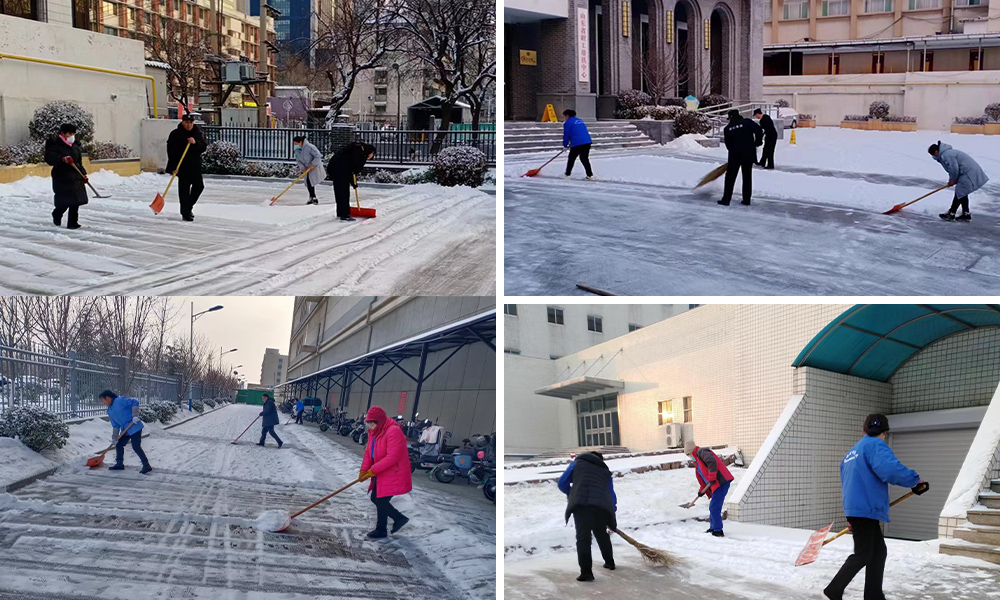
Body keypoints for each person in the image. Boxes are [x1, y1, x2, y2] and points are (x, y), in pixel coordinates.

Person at [824, 414, 928, 600]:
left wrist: (851, 515)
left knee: (878, 553)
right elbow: (890, 469)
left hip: (859, 509)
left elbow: (847, 483)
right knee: (863, 554)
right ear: (885, 433)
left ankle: (873, 595)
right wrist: (914, 479)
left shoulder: (851, 453)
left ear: (863, 431)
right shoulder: (876, 445)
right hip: (866, 510)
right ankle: (833, 590)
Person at [557, 451, 616, 582]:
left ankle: (586, 573)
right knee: (601, 534)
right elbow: (610, 493)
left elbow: (562, 483)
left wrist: (572, 493)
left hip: (581, 506)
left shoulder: (577, 463)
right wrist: (613, 509)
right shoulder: (604, 470)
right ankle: (610, 562)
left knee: (583, 538)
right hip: (600, 506)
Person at [358, 405, 412, 538]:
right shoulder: (374, 433)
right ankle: (386, 526)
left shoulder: (393, 431)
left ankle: (391, 523)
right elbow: (368, 453)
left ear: (380, 421)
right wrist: (363, 470)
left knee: (380, 500)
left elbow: (393, 457)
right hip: (381, 473)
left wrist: (373, 470)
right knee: (376, 498)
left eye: (372, 422)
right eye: (368, 423)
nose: (370, 425)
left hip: (394, 473)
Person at [928, 142, 989, 222]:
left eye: (933, 155)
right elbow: (953, 169)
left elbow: (954, 169)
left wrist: (953, 180)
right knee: (962, 192)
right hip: (967, 172)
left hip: (968, 172)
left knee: (960, 191)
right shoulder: (947, 153)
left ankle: (951, 213)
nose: (934, 157)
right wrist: (953, 180)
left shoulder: (946, 155)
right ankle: (965, 214)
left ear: (936, 152)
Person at [684, 441, 734, 537]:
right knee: (713, 507)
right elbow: (704, 478)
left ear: (692, 451)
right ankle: (713, 527)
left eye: (689, 454)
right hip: (716, 484)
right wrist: (701, 491)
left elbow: (712, 461)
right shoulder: (697, 462)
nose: (689, 457)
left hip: (721, 482)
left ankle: (718, 531)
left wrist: (712, 477)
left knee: (714, 507)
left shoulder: (701, 452)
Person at [44, 123, 88, 230]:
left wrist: (83, 174)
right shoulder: (55, 145)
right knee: (64, 200)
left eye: (73, 133)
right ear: (63, 133)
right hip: (62, 176)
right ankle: (57, 213)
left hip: (75, 175)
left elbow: (79, 162)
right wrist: (61, 158)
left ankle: (73, 222)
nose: (71, 135)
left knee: (75, 200)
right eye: (69, 133)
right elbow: (49, 158)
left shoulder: (75, 146)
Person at [165, 114, 209, 222]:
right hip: (181, 166)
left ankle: (187, 207)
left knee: (199, 186)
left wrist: (195, 143)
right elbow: (171, 151)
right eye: (187, 122)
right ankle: (185, 213)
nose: (189, 125)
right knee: (184, 191)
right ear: (182, 122)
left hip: (194, 166)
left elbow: (203, 147)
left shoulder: (197, 133)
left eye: (191, 122)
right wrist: (172, 167)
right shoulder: (175, 134)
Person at [99, 390, 152, 474]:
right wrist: (114, 438)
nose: (103, 402)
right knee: (119, 444)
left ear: (108, 397)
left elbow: (135, 402)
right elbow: (115, 425)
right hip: (125, 430)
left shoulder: (120, 400)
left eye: (103, 400)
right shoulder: (109, 410)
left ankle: (146, 465)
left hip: (134, 426)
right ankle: (119, 464)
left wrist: (135, 415)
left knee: (136, 446)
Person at [719, 109, 763, 206]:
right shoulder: (747, 122)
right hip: (748, 155)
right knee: (747, 177)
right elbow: (759, 130)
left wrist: (735, 150)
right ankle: (746, 200)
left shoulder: (728, 129)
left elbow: (728, 145)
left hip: (735, 156)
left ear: (730, 118)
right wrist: (757, 142)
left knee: (730, 178)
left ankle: (726, 200)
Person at [326, 142, 376, 222]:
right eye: (372, 155)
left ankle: (340, 212)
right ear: (371, 152)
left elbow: (351, 168)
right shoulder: (360, 152)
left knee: (339, 191)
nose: (370, 157)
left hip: (334, 168)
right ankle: (345, 215)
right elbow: (355, 169)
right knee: (344, 193)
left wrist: (353, 183)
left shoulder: (355, 148)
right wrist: (354, 183)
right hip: (341, 170)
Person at [562, 109, 594, 180]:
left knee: (571, 158)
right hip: (587, 141)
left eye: (564, 116)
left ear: (567, 115)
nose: (564, 118)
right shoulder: (580, 121)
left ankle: (567, 174)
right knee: (584, 158)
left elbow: (566, 135)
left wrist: (565, 145)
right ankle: (590, 175)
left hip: (577, 143)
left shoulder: (568, 123)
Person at [293, 136, 325, 205]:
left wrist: (313, 164)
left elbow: (318, 156)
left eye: (296, 144)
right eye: (294, 144)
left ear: (300, 142)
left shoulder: (310, 147)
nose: (295, 145)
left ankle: (313, 198)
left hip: (314, 167)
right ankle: (312, 197)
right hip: (306, 168)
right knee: (308, 182)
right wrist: (302, 167)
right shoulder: (297, 150)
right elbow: (298, 160)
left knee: (311, 182)